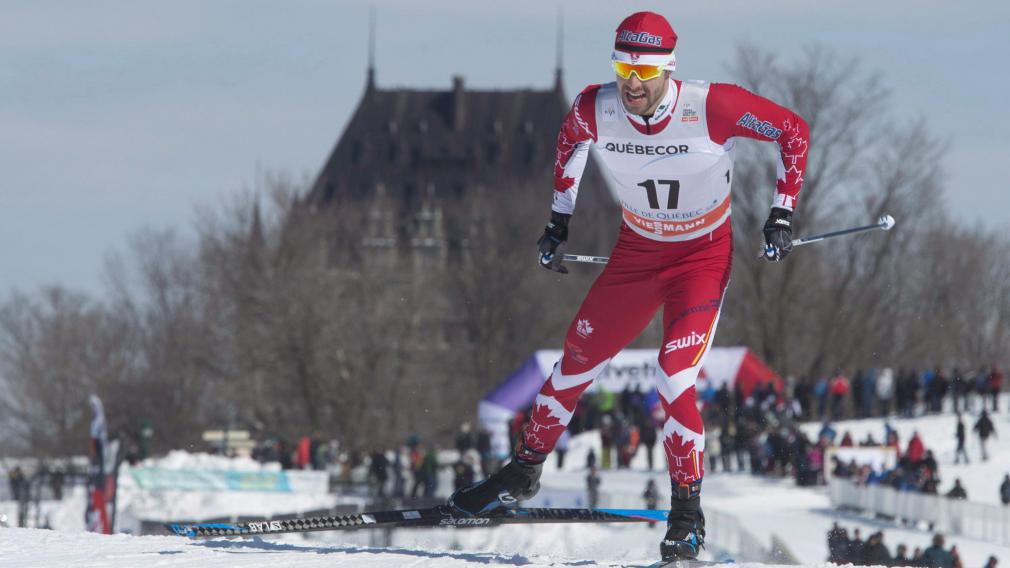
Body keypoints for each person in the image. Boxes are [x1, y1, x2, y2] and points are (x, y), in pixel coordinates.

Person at [448, 10, 810, 563]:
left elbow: (792, 130)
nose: (631, 83)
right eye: (623, 68)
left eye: (643, 71)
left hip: (700, 259)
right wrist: (557, 222)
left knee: (673, 377)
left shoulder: (712, 106)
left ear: (668, 68)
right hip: (636, 255)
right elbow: (569, 143)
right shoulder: (597, 108)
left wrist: (781, 214)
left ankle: (687, 514)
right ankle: (521, 474)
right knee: (573, 363)